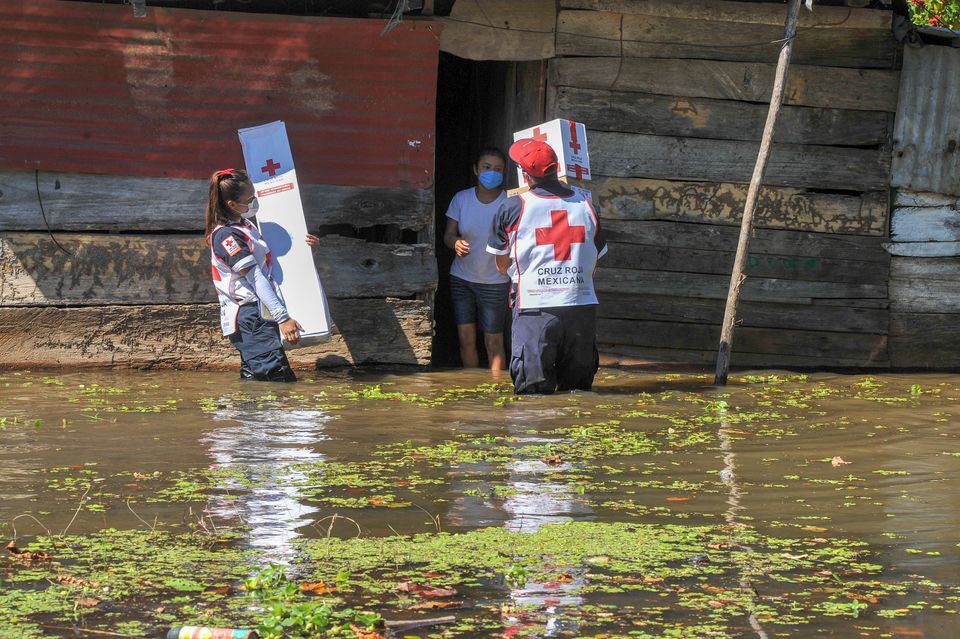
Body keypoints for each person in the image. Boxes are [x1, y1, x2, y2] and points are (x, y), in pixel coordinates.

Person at [486, 139, 608, 394]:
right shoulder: (587, 206)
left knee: (532, 394)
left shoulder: (512, 207)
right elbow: (595, 261)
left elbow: (501, 265)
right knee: (578, 393)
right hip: (580, 308)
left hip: (534, 310)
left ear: (526, 176)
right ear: (556, 168)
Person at [204, 168, 318, 382]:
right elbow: (255, 277)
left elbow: (269, 265)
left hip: (260, 313)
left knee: (256, 381)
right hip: (249, 316)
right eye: (249, 199)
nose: (254, 202)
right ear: (231, 204)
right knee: (276, 382)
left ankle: (246, 416)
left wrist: (306, 252)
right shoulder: (227, 237)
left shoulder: (245, 226)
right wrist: (282, 318)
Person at [443, 147, 511, 370]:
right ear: (475, 169)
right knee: (466, 339)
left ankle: (496, 393)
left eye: (498, 169)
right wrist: (455, 243)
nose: (492, 172)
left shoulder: (510, 202)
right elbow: (448, 234)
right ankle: (472, 389)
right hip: (462, 279)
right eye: (487, 167)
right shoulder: (461, 199)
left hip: (495, 282)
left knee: (494, 342)